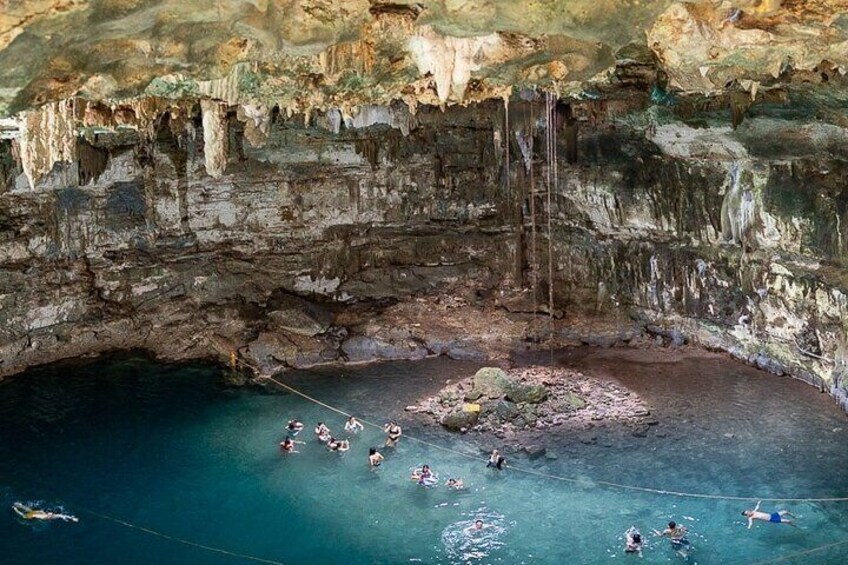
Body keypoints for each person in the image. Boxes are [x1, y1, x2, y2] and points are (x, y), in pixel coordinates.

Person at [12, 502, 78, 523]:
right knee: (29, 510)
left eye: (50, 513)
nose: (51, 513)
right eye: (50, 513)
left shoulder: (31, 516)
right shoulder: (46, 515)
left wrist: (15, 510)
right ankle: (19, 506)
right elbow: (62, 515)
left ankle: (17, 507)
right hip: (37, 514)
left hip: (35, 515)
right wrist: (72, 518)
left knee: (26, 513)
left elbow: (22, 515)